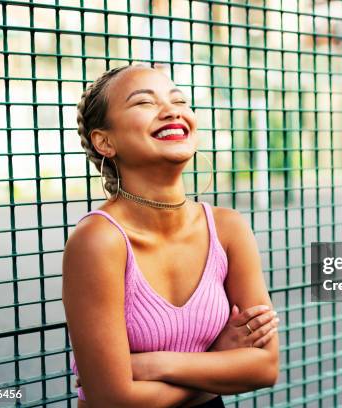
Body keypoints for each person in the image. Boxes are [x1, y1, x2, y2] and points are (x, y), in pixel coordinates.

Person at [62, 63, 280, 407]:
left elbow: (265, 368)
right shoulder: (98, 241)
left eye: (178, 101)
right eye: (144, 103)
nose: (171, 111)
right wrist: (218, 362)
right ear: (105, 141)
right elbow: (113, 399)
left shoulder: (228, 229)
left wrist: (154, 364)